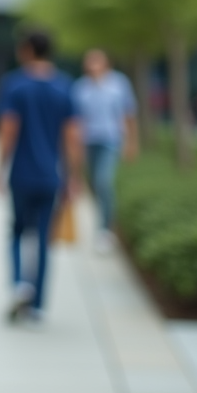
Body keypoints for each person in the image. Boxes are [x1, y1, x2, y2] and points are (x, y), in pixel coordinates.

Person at [0, 30, 82, 325]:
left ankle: (19, 283)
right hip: (51, 176)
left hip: (22, 173)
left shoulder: (15, 85)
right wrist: (74, 176)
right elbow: (72, 137)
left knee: (16, 230)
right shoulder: (64, 86)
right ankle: (38, 305)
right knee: (43, 238)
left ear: (27, 50)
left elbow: (8, 131)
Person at [71, 49, 138, 253]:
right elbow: (76, 121)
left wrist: (132, 142)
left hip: (111, 139)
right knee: (95, 186)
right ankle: (101, 224)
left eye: (97, 61)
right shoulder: (80, 88)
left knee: (104, 182)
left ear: (107, 63)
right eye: (90, 62)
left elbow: (129, 113)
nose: (93, 66)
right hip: (88, 141)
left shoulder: (119, 83)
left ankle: (105, 230)